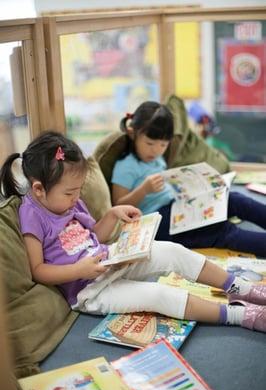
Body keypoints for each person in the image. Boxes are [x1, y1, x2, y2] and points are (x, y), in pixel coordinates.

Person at [0, 132, 265, 334]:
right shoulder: (31, 215)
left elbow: (95, 234)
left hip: (109, 260)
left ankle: (241, 287)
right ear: (38, 189)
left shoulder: (69, 200)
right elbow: (38, 270)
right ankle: (240, 315)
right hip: (89, 290)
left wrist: (113, 214)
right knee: (157, 295)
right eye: (70, 193)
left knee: (171, 250)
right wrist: (79, 270)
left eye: (78, 190)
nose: (76, 198)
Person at [111, 101, 266, 258]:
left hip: (176, 208)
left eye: (163, 145)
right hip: (156, 225)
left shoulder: (156, 158)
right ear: (132, 133)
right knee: (219, 230)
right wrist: (143, 190)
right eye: (150, 143)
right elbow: (118, 207)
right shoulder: (125, 166)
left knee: (233, 199)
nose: (156, 150)